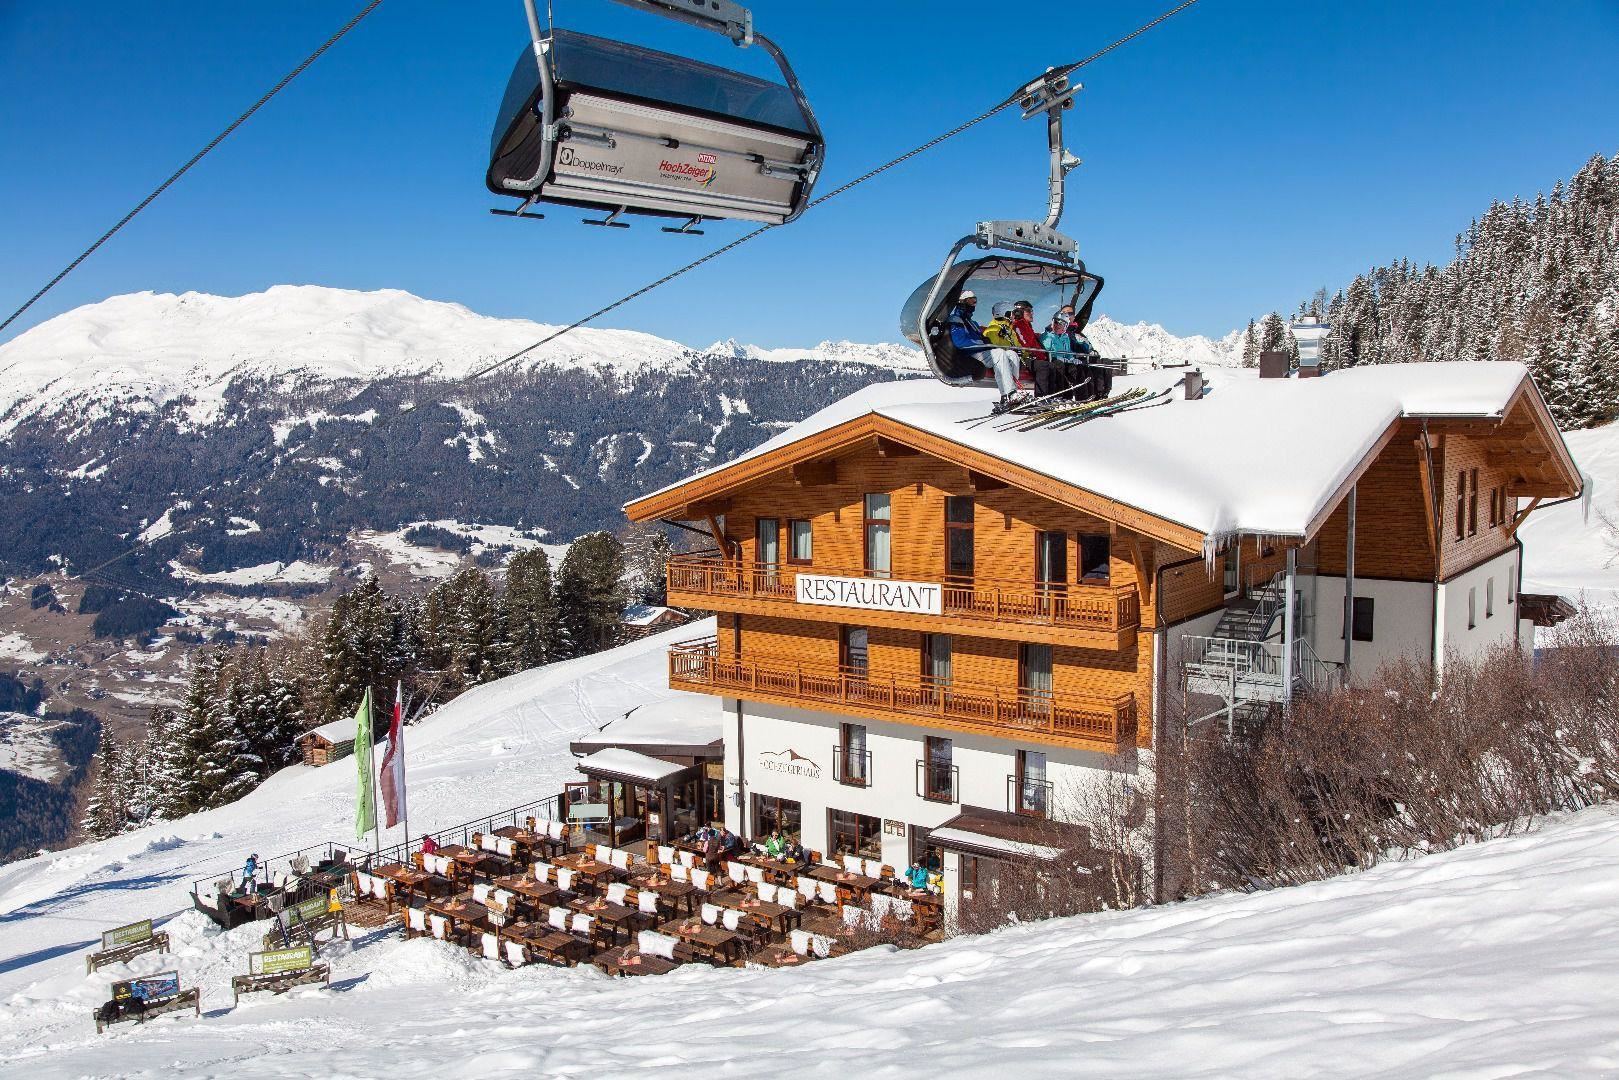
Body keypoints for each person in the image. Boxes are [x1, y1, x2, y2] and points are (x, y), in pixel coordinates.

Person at [981, 301, 1031, 411]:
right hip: (996, 360)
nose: (1014, 316)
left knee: (1012, 354)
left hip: (1008, 358)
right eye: (1012, 313)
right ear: (1005, 313)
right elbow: (994, 347)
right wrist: (1000, 336)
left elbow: (1018, 346)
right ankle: (1007, 394)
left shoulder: (1010, 330)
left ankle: (1012, 394)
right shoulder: (992, 329)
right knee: (1007, 354)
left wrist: (1022, 352)